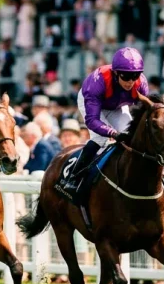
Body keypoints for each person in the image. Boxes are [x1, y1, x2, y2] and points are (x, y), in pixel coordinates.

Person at [57, 47, 148, 198]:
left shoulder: (141, 84)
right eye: (126, 76)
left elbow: (145, 114)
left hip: (117, 106)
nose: (131, 81)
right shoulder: (97, 82)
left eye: (135, 75)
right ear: (116, 72)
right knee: (101, 138)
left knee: (131, 136)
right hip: (93, 105)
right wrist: (112, 133)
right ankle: (73, 178)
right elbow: (93, 121)